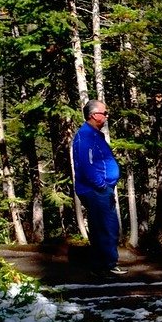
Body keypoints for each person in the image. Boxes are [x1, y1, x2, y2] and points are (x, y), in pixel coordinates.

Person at [72, 99, 127, 277]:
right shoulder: (85, 136)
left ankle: (107, 263)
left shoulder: (95, 135)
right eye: (105, 113)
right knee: (103, 226)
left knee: (107, 225)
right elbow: (87, 165)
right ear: (94, 115)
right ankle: (102, 266)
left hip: (102, 189)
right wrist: (102, 185)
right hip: (95, 190)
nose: (107, 116)